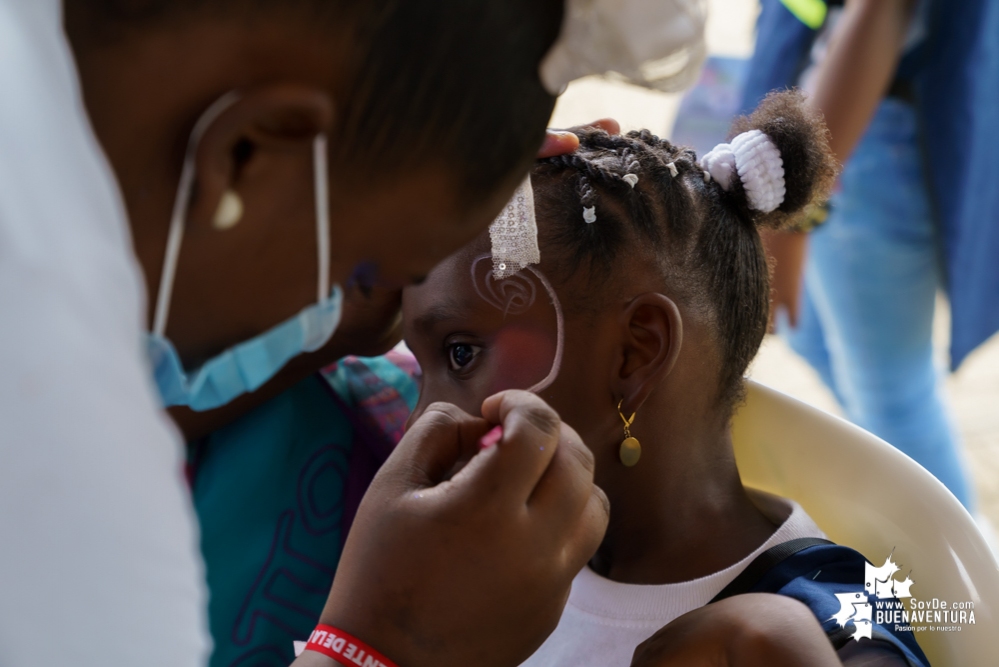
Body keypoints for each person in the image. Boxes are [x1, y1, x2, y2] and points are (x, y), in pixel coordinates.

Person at [2, 1, 611, 665]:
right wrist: (384, 642)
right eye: (360, 269)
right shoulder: (62, 461)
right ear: (244, 151)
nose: (336, 319)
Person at [401, 92, 929, 666]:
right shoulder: (494, 565)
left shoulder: (823, 613)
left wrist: (773, 638)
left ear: (635, 352)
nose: (420, 422)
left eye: (458, 355)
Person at [743, 0, 999, 510]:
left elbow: (883, 8)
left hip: (866, 125)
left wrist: (794, 215)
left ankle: (968, 585)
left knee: (895, 397)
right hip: (834, 96)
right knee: (813, 335)